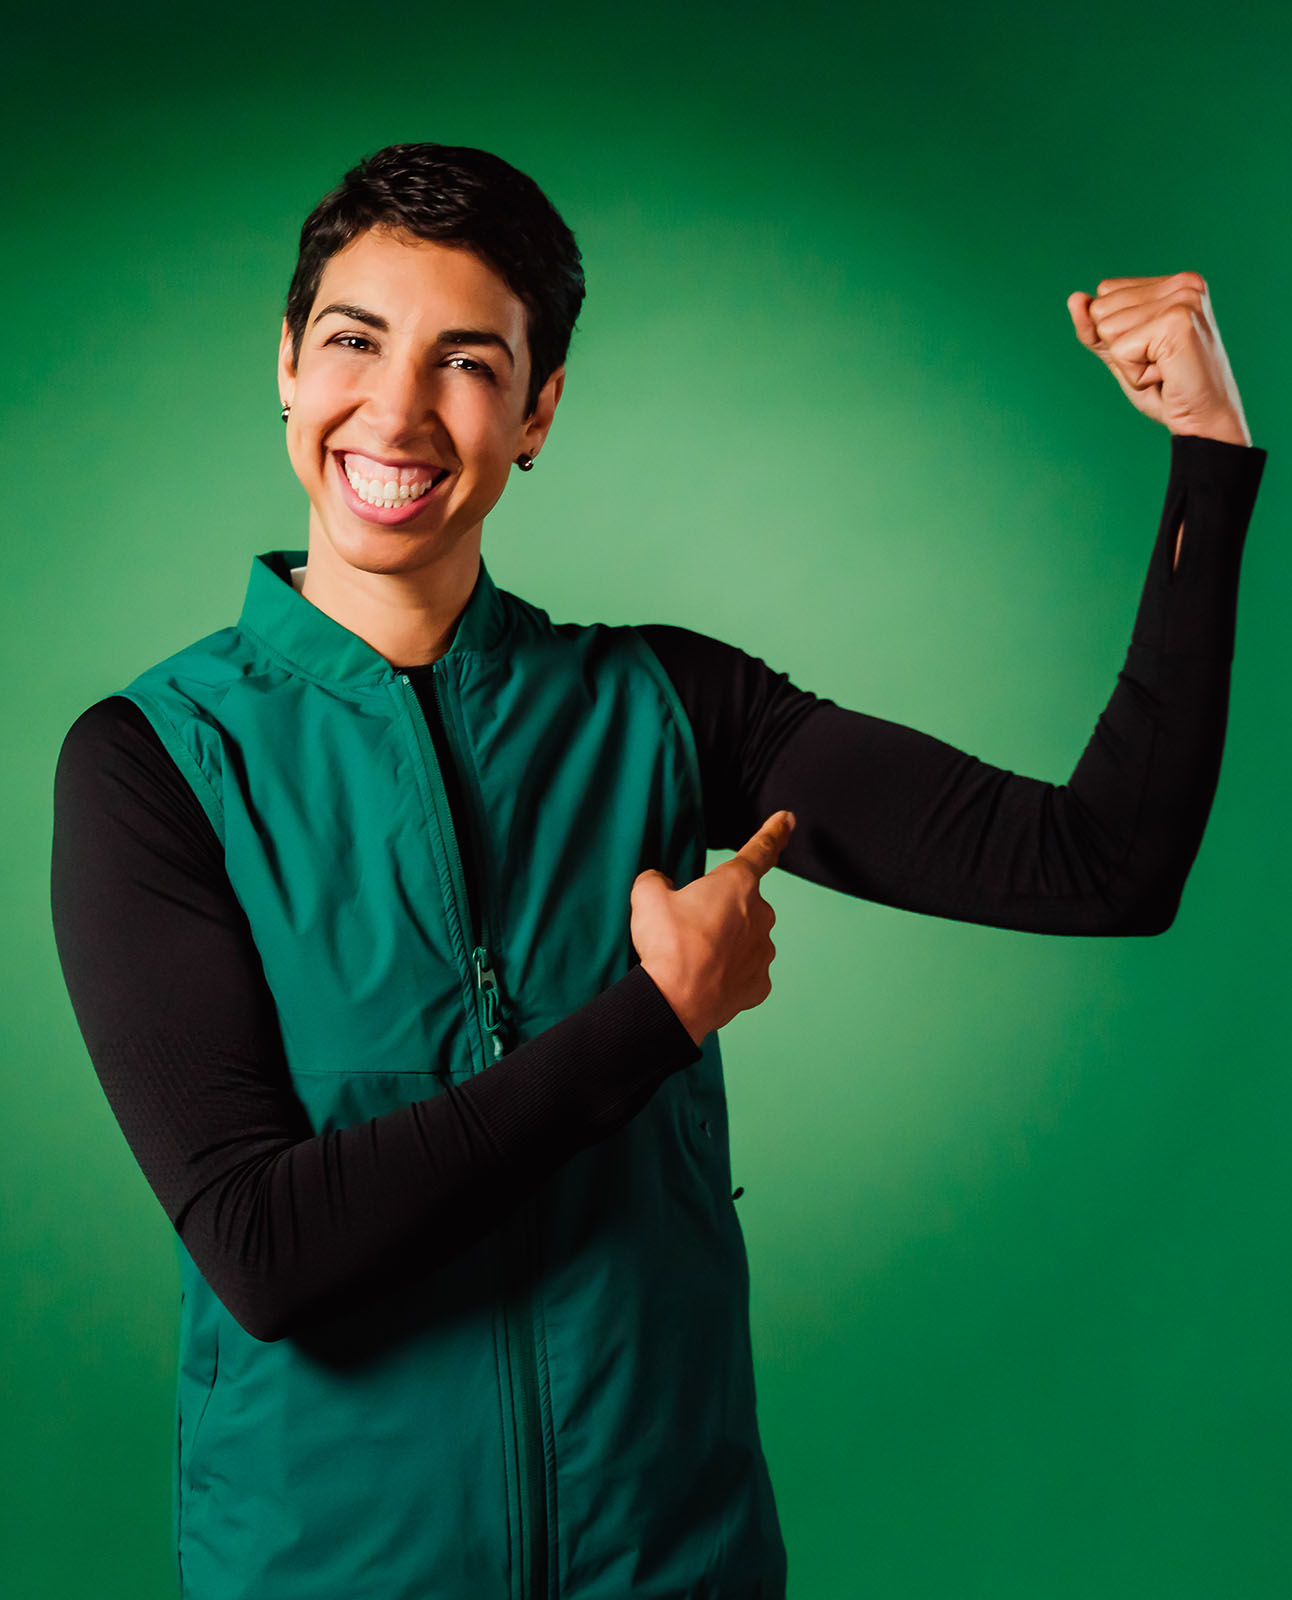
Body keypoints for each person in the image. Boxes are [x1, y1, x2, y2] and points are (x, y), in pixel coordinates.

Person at [50, 141, 1267, 1600]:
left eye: (467, 362)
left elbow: (1100, 866)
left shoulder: (670, 710)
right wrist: (655, 1020)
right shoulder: (155, 762)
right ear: (289, 368)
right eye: (356, 343)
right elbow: (267, 1251)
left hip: (673, 1568)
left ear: (539, 409)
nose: (397, 407)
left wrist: (1211, 455)